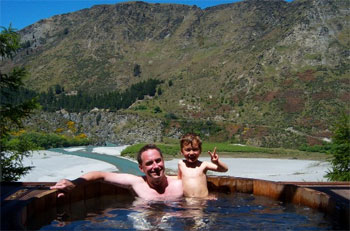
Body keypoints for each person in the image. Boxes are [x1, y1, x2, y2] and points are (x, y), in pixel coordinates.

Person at [50, 144, 183, 200]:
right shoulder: (136, 183)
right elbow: (100, 175)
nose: (155, 166)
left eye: (158, 161)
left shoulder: (179, 184)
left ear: (163, 161)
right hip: (144, 221)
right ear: (141, 168)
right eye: (149, 163)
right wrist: (74, 183)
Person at [178, 133, 228, 198]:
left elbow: (224, 169)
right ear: (182, 151)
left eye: (195, 149)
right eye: (188, 150)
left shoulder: (204, 165)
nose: (191, 153)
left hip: (202, 200)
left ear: (200, 151)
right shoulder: (181, 164)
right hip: (186, 201)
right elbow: (178, 178)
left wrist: (217, 162)